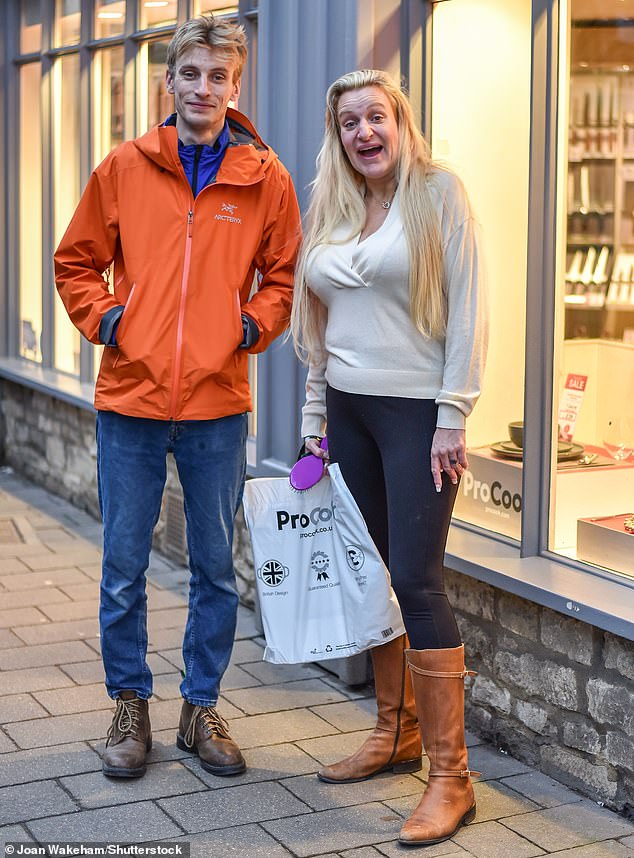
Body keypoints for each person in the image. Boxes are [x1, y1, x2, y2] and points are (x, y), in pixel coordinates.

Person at [55, 15, 300, 780]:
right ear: (169, 80)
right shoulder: (125, 166)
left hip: (218, 405)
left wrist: (249, 327)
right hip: (129, 398)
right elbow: (76, 262)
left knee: (215, 570)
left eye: (218, 76)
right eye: (190, 74)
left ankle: (201, 707)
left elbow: (284, 278)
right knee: (122, 565)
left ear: (237, 83)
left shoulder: (267, 179)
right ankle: (130, 705)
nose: (203, 88)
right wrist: (113, 321)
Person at [290, 69, 488, 847]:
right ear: (337, 136)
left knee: (416, 577)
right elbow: (320, 328)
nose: (364, 133)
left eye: (376, 117)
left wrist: (452, 415)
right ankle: (394, 732)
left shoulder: (439, 194)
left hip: (415, 415)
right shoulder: (335, 205)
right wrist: (314, 421)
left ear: (400, 123)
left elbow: (469, 305)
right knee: (372, 572)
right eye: (349, 123)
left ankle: (452, 777)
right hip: (347, 409)